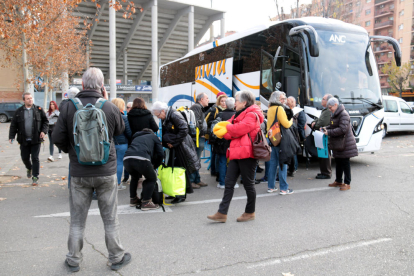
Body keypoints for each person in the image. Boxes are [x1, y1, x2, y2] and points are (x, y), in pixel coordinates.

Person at [53, 67, 130, 272]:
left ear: (83, 85)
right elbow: (120, 130)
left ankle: (73, 260)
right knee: (110, 219)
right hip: (106, 171)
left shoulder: (69, 106)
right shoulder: (110, 107)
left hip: (79, 172)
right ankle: (116, 257)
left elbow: (57, 138)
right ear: (102, 86)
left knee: (77, 220)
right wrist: (107, 101)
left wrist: (73, 151)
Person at [207, 90, 263, 223]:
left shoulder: (253, 114)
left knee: (248, 185)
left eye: (236, 100)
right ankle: (222, 213)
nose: (233, 103)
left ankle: (250, 212)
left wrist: (229, 128)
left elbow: (238, 129)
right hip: (236, 153)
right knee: (229, 183)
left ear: (244, 102)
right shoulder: (238, 114)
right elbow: (228, 131)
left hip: (248, 154)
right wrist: (229, 129)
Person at [152, 101, 199, 204]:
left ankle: (180, 194)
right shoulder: (169, 115)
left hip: (180, 146)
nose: (158, 118)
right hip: (177, 145)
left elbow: (184, 129)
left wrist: (174, 143)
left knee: (179, 170)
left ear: (163, 111)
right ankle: (176, 192)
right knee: (175, 169)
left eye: (158, 115)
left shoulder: (174, 114)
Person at [9, 93, 48, 186]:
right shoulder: (18, 112)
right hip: (23, 140)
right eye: (28, 99)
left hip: (36, 139)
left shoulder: (39, 110)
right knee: (25, 158)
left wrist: (43, 131)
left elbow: (45, 122)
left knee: (35, 158)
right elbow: (13, 125)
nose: (30, 100)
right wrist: (11, 136)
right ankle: (29, 168)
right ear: (24, 100)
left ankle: (35, 177)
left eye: (31, 98)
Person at [321, 97, 358, 191]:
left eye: (330, 107)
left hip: (345, 143)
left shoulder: (343, 114)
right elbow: (333, 125)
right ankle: (338, 181)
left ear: (336, 105)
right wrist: (326, 128)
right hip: (338, 143)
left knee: (345, 163)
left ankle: (347, 183)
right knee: (338, 162)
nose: (329, 109)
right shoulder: (335, 114)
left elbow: (342, 129)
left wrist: (329, 132)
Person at [124, 128, 164, 210]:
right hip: (141, 159)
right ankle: (146, 202)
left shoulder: (136, 138)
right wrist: (156, 165)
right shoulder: (153, 137)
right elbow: (160, 153)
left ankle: (133, 199)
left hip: (127, 159)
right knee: (151, 178)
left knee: (134, 178)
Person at [266, 91, 294, 195]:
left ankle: (271, 186)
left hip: (272, 138)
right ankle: (284, 188)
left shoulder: (270, 108)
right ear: (277, 99)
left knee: (273, 163)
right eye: (282, 99)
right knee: (283, 163)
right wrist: (291, 119)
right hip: (280, 139)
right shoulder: (280, 108)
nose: (284, 100)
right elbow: (286, 124)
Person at [213, 97, 236, 189]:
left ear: (225, 105)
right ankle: (233, 182)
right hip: (234, 141)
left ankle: (222, 182)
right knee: (233, 163)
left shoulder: (220, 114)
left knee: (222, 161)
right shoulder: (237, 115)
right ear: (234, 105)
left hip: (221, 142)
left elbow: (215, 128)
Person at [189, 93, 209, 189]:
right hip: (197, 137)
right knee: (194, 160)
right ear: (201, 99)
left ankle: (197, 179)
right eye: (207, 98)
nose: (208, 100)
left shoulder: (198, 107)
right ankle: (192, 181)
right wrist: (201, 132)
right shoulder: (196, 107)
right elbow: (196, 122)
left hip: (199, 137)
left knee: (197, 160)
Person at [111, 98, 132, 191]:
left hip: (111, 143)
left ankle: (111, 183)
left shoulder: (108, 116)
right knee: (119, 163)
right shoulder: (124, 117)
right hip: (122, 144)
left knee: (111, 164)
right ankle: (118, 183)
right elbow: (128, 132)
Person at [311, 94, 333, 179]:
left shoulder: (328, 111)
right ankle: (324, 172)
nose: (322, 100)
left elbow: (322, 122)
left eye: (323, 99)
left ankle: (326, 173)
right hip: (323, 135)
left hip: (325, 136)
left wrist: (315, 124)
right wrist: (315, 122)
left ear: (328, 101)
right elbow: (319, 119)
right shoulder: (325, 110)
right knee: (323, 155)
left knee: (325, 155)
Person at [206, 91, 227, 178]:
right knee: (215, 154)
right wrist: (218, 123)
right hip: (215, 135)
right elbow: (208, 122)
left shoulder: (227, 110)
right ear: (219, 101)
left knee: (218, 155)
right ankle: (215, 171)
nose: (223, 103)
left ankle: (217, 171)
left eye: (225, 101)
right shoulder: (215, 109)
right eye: (222, 101)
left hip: (223, 136)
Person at [286, 96, 306, 177]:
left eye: (290, 101)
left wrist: (301, 135)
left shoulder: (299, 111)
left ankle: (294, 167)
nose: (288, 103)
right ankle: (291, 167)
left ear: (294, 102)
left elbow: (302, 123)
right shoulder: (286, 109)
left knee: (293, 151)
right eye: (288, 101)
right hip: (290, 133)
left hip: (295, 134)